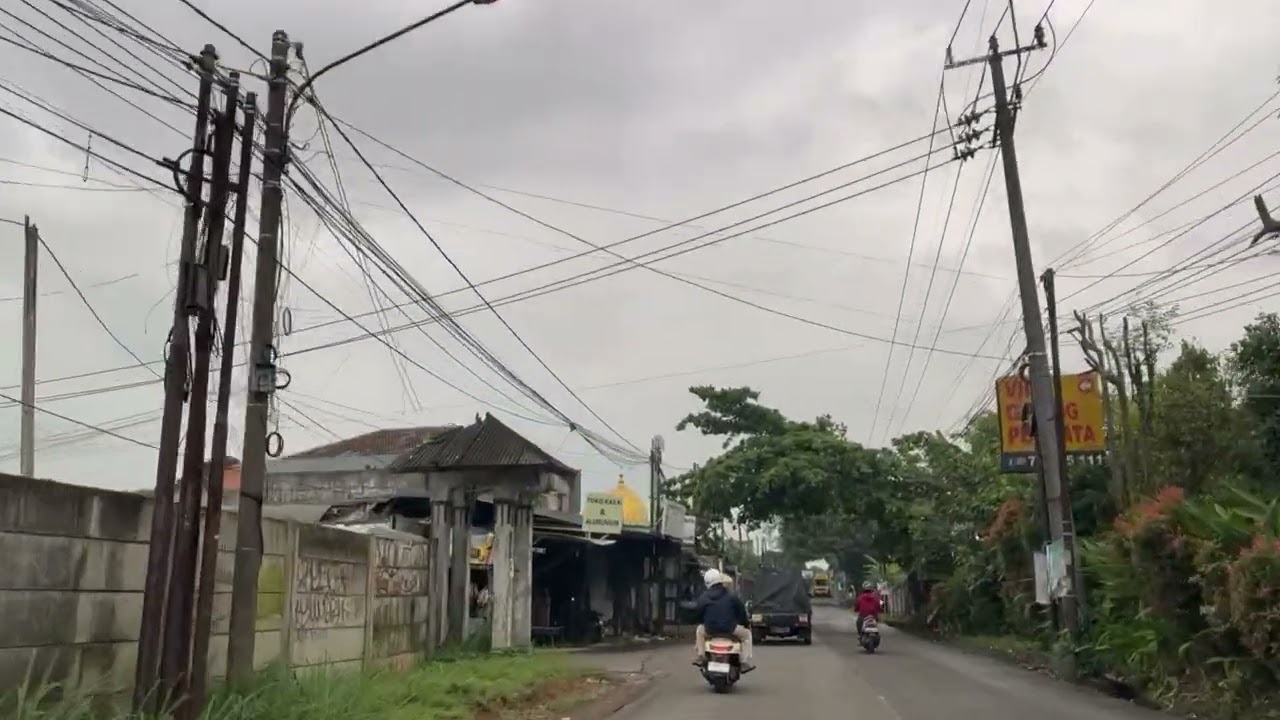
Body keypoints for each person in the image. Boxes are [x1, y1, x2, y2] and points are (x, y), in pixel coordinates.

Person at [692, 568, 755, 672]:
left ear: (707, 582)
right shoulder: (731, 595)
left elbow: (698, 614)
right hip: (730, 629)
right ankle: (744, 662)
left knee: (699, 630)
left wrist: (702, 621)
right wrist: (745, 624)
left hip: (710, 630)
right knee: (747, 635)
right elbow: (741, 612)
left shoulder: (703, 597)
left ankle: (701, 656)